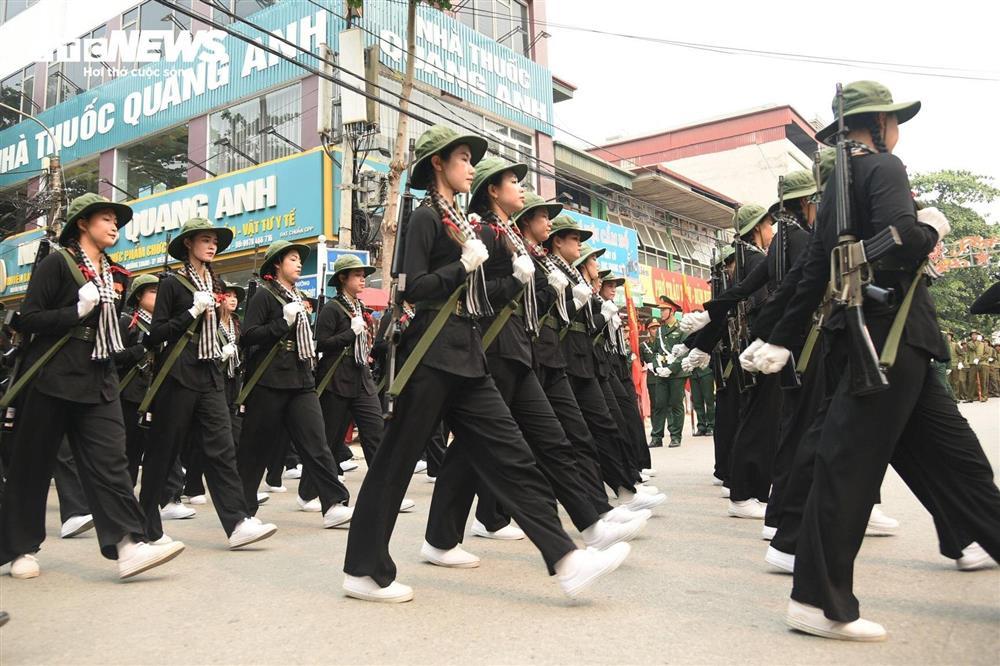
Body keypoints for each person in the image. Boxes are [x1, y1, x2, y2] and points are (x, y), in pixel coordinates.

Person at [752, 80, 1000, 640]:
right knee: (848, 472)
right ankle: (817, 602)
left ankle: (971, 538)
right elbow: (901, 243)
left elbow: (814, 269)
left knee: (958, 462)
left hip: (877, 340)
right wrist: (929, 227)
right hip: (889, 340)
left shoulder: (839, 182)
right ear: (879, 124)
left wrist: (781, 336)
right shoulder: (883, 167)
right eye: (892, 120)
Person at [342, 126, 631, 603]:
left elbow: (479, 294)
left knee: (512, 453)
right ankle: (363, 570)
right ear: (438, 164)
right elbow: (413, 287)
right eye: (462, 158)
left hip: (469, 352)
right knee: (393, 465)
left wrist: (509, 280)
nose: (470, 167)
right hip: (432, 354)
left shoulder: (460, 220)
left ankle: (567, 559)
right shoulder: (425, 218)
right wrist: (462, 267)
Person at [423, 157, 645, 568]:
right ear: (493, 191)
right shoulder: (486, 233)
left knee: (550, 439)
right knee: (480, 451)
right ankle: (445, 537)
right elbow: (478, 294)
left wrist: (544, 288)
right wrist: (518, 280)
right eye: (514, 182)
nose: (522, 189)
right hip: (495, 349)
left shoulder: (512, 239)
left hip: (519, 349)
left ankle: (591, 523)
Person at [0, 193, 184, 580]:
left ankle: (128, 545)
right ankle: (20, 548)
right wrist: (75, 311)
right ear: (82, 224)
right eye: (105, 218)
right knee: (33, 466)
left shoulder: (115, 274)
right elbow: (29, 319)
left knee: (111, 462)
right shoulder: (57, 263)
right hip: (52, 377)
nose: (114, 225)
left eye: (116, 220)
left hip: (99, 375)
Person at [143, 217, 276, 549]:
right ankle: (146, 525)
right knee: (165, 450)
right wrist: (190, 313)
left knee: (222, 447)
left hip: (210, 373)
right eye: (205, 239)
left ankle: (237, 522)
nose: (212, 246)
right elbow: (155, 335)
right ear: (188, 243)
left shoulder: (215, 283)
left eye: (215, 241)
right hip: (178, 374)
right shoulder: (172, 284)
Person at [236, 240, 354, 529]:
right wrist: (282, 322)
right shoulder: (264, 296)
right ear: (277, 264)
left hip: (300, 378)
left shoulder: (299, 297)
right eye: (292, 258)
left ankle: (333, 503)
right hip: (270, 380)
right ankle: (242, 512)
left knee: (317, 443)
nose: (299, 263)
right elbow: (248, 336)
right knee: (256, 449)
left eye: (299, 259)